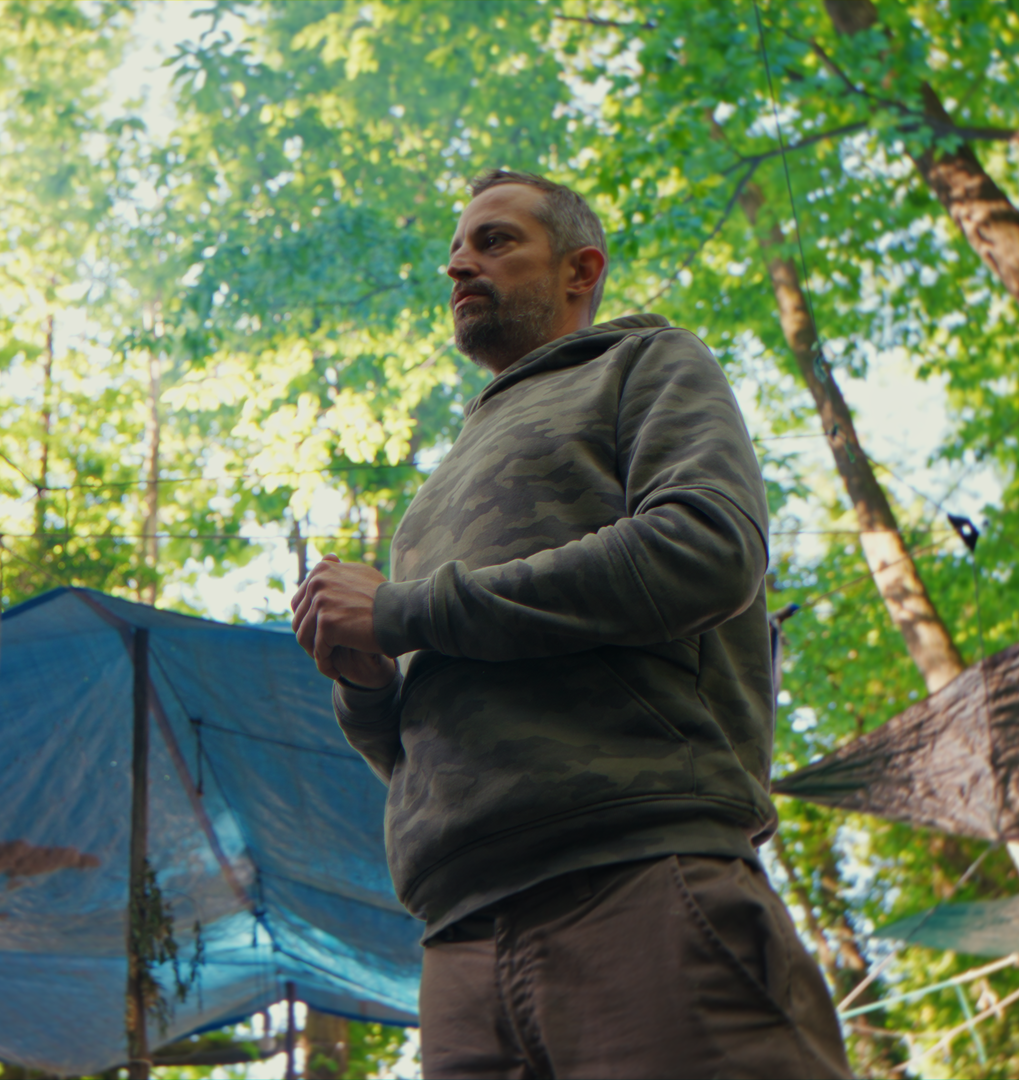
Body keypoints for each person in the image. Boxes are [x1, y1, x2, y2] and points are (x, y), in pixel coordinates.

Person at [288, 170, 851, 1079]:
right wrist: (368, 685)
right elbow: (426, 744)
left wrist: (403, 608)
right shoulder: (432, 498)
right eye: (456, 248)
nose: (458, 264)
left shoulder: (645, 362)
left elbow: (705, 549)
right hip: (458, 940)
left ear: (580, 270)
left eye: (495, 241)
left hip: (639, 870)